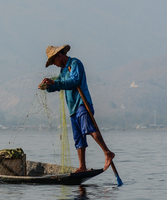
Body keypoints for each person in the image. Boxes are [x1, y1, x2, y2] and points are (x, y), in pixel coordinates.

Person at [38, 44, 115, 172]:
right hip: (72, 107)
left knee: (88, 128)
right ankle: (82, 166)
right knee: (78, 137)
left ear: (59, 55)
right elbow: (59, 86)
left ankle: (107, 152)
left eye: (54, 61)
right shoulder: (63, 70)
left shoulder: (74, 64)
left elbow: (75, 82)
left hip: (81, 103)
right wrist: (48, 86)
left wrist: (56, 82)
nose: (55, 64)